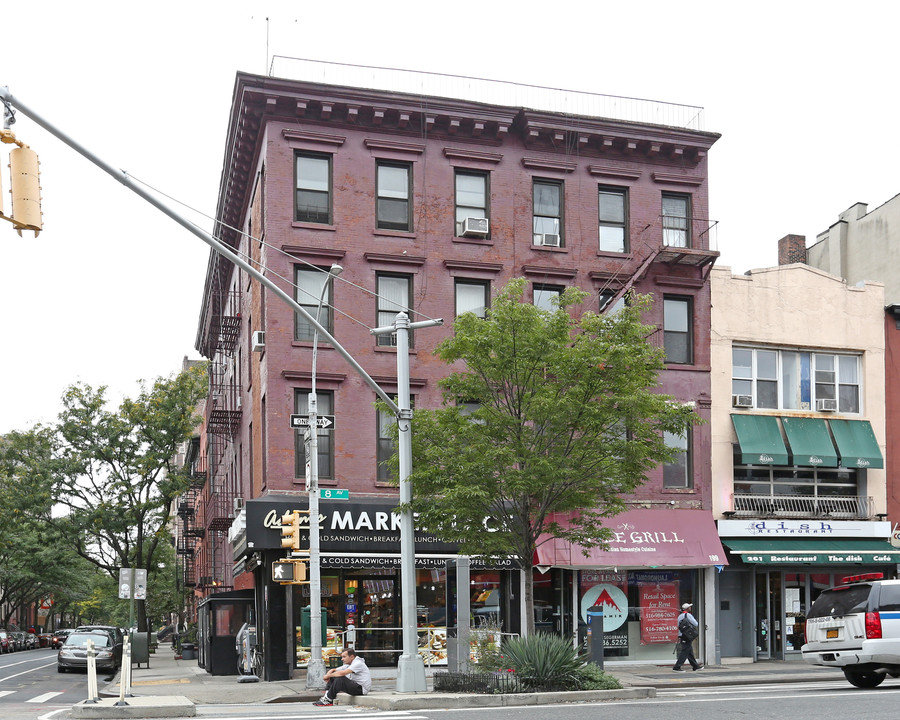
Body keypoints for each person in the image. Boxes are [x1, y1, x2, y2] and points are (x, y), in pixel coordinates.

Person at [672, 602, 703, 671]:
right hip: (687, 635)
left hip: (682, 635)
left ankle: (695, 666)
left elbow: (678, 626)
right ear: (687, 608)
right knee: (685, 651)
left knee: (689, 652)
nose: (690, 608)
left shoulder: (680, 616)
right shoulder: (688, 615)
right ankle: (677, 667)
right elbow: (696, 624)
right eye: (689, 607)